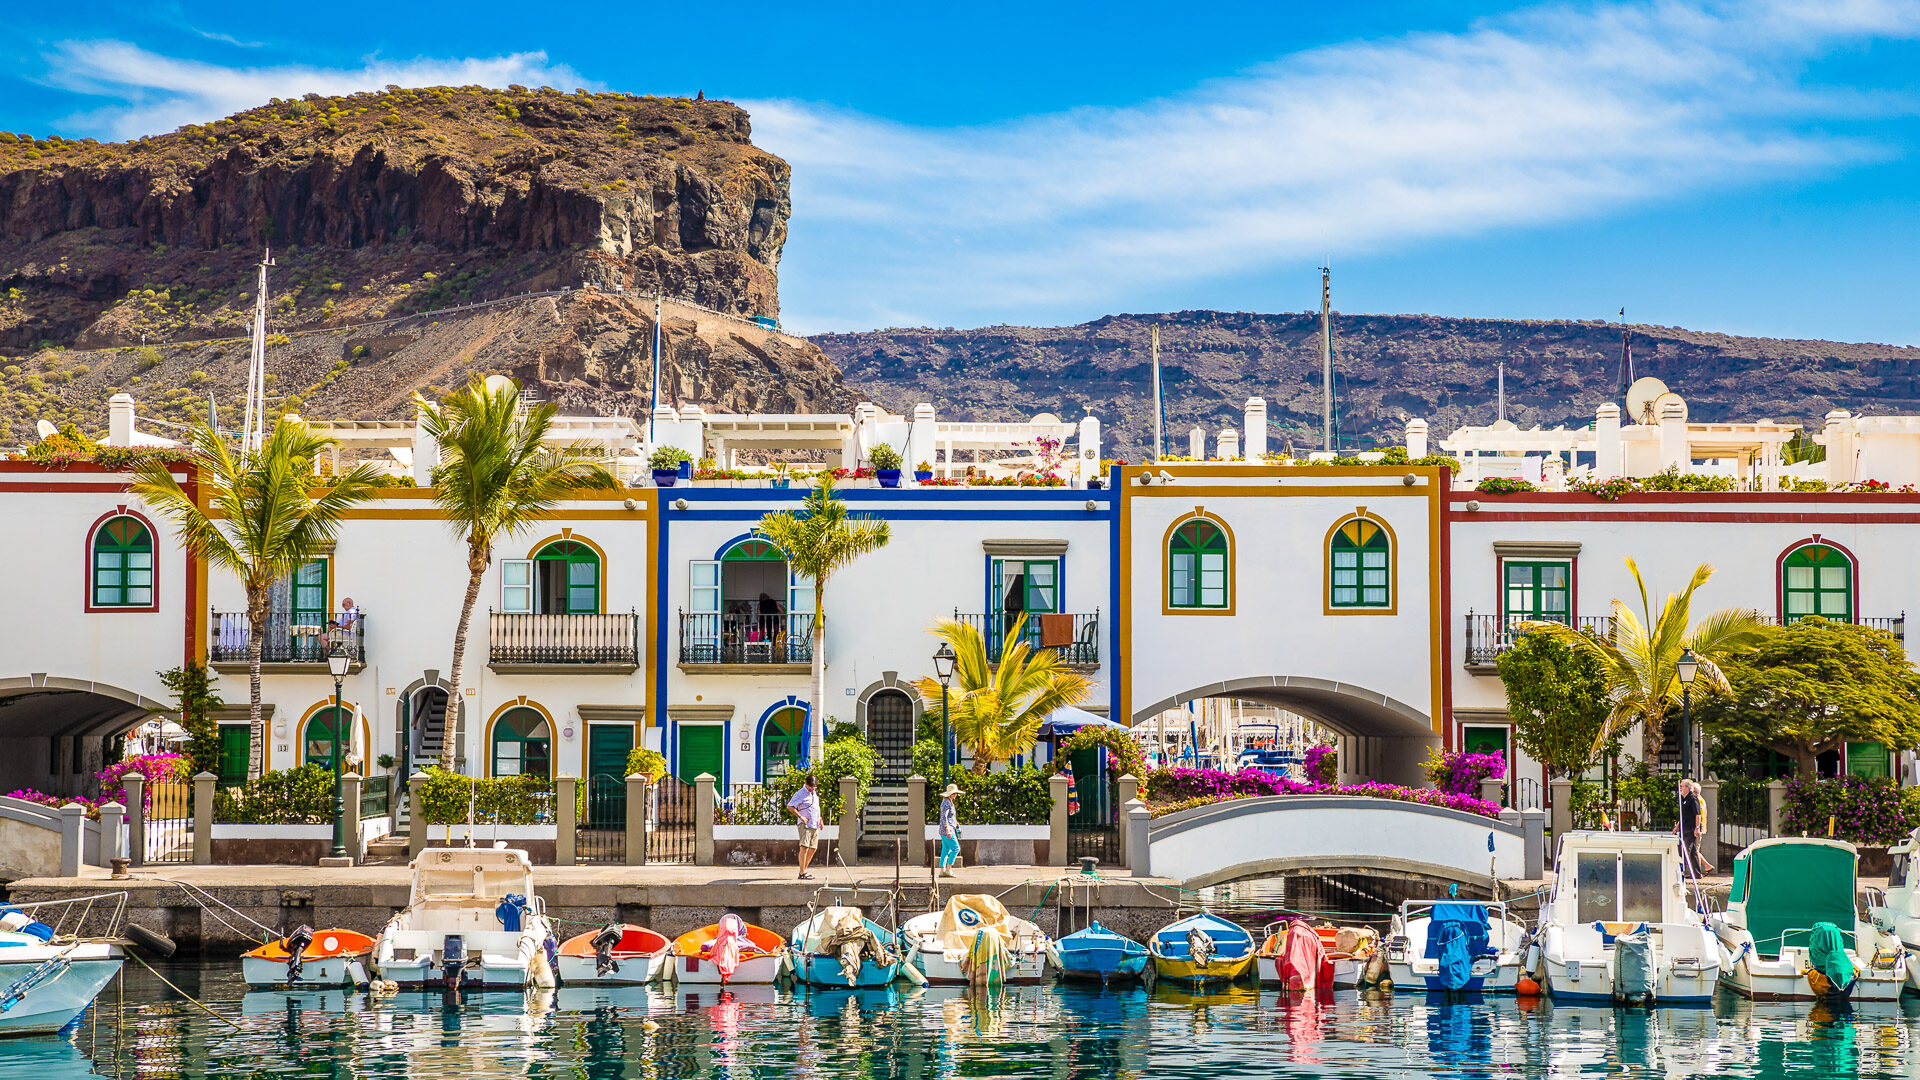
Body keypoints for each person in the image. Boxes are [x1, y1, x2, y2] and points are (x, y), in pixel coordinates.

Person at [786, 773, 823, 880]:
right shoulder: (800, 793)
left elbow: (816, 807)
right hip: (805, 824)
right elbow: (790, 806)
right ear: (806, 784)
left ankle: (804, 870)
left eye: (814, 787)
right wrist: (801, 816)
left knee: (813, 848)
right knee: (804, 847)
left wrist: (820, 819)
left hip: (814, 824)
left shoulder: (814, 793)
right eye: (811, 787)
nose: (812, 789)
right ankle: (802, 872)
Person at [1678, 778, 1713, 875]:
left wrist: (1697, 828)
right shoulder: (1684, 798)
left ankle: (1682, 873)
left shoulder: (1694, 799)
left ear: (1688, 788)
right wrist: (1677, 827)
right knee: (1694, 852)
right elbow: (1683, 815)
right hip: (1686, 827)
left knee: (1686, 850)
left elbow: (1698, 815)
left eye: (1682, 786)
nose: (1680, 788)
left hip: (1691, 829)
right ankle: (1698, 873)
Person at [938, 783, 963, 878]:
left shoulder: (949, 802)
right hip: (948, 830)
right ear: (950, 794)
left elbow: (949, 816)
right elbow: (944, 816)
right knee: (956, 848)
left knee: (945, 850)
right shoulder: (946, 803)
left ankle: (942, 871)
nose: (955, 795)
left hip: (947, 829)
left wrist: (956, 823)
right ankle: (948, 869)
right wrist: (947, 829)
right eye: (954, 793)